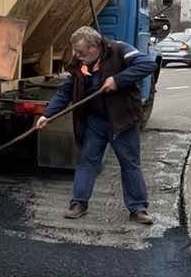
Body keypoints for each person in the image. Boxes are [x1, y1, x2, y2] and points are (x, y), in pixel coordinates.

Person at [35, 25, 157, 224]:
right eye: (75, 51)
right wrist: (48, 114)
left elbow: (148, 65)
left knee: (130, 164)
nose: (76, 55)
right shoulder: (79, 64)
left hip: (122, 120)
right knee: (87, 161)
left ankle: (138, 208)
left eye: (80, 52)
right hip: (96, 121)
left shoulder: (120, 50)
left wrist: (118, 80)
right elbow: (66, 90)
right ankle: (79, 203)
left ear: (94, 47)